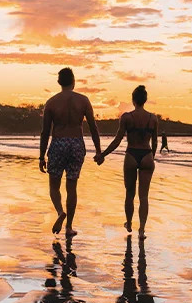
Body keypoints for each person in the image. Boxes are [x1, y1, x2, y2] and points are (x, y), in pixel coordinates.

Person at [40, 67, 101, 237]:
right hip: (76, 143)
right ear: (73, 81)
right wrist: (98, 151)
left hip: (58, 143)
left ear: (59, 82)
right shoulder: (83, 100)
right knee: (72, 187)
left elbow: (45, 132)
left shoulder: (51, 102)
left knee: (54, 185)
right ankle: (69, 227)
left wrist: (41, 156)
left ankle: (60, 212)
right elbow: (93, 127)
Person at [95, 85, 157, 239]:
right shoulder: (153, 118)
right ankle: (141, 230)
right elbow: (155, 142)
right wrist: (151, 157)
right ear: (145, 100)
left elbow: (117, 140)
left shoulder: (127, 117)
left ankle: (129, 223)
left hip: (131, 155)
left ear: (133, 100)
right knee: (144, 196)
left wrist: (103, 154)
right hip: (147, 154)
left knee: (130, 194)